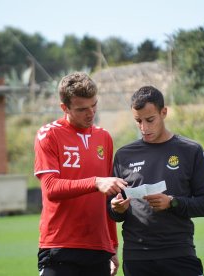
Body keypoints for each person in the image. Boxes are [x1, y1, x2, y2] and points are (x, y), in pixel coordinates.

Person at [108, 86, 204, 276]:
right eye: (138, 121)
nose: (144, 127)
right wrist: (117, 208)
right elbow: (111, 211)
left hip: (178, 254)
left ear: (163, 112)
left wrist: (172, 202)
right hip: (137, 258)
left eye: (150, 120)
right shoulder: (124, 155)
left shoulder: (191, 151)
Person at [34, 72, 127, 276]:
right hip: (60, 244)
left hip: (98, 248)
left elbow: (108, 195)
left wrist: (112, 244)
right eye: (82, 108)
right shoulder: (49, 134)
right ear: (64, 108)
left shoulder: (104, 138)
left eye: (94, 105)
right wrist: (95, 182)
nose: (91, 112)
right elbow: (50, 188)